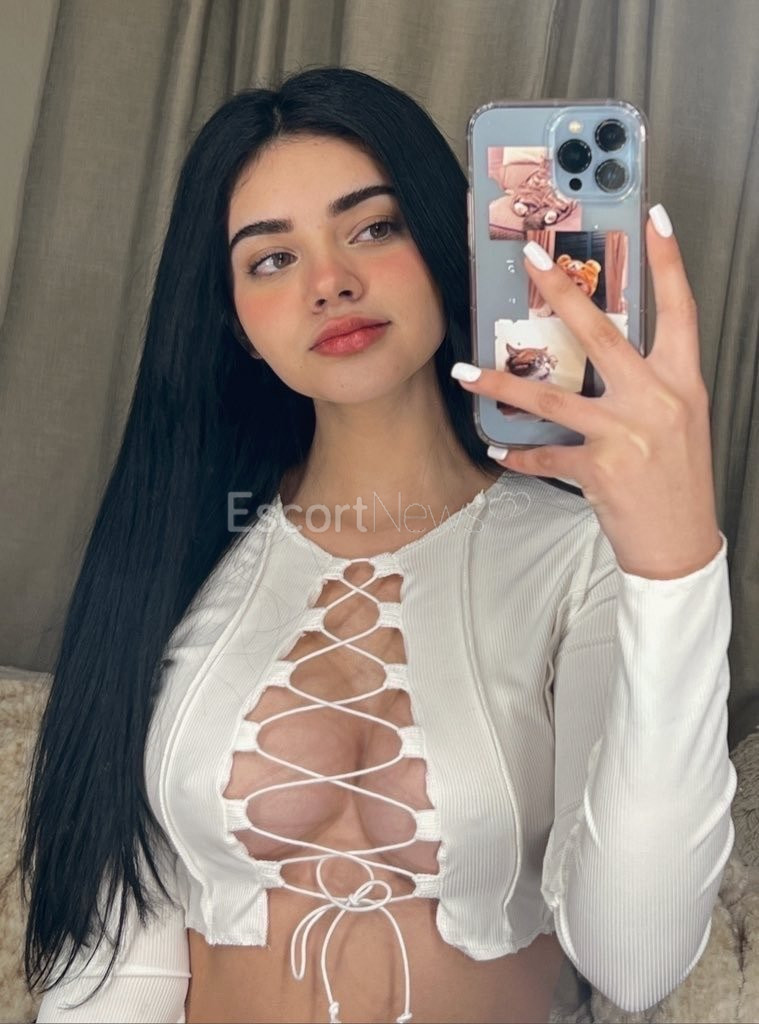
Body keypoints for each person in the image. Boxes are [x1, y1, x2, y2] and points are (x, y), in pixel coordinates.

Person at [16, 66, 735, 1024]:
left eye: (373, 228)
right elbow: (123, 962)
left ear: (449, 244)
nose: (331, 283)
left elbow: (633, 961)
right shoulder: (174, 556)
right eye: (272, 259)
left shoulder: (587, 558)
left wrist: (674, 565)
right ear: (236, 322)